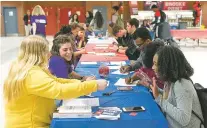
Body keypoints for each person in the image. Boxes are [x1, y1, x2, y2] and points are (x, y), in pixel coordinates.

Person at [4, 35, 107, 128]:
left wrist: (82, 83)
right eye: (46, 51)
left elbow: (56, 81)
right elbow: (59, 91)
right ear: (37, 54)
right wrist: (94, 85)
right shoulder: (32, 74)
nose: (49, 54)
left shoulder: (26, 68)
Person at [151, 46, 204, 128]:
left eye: (155, 64)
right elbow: (172, 98)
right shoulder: (170, 80)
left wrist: (158, 98)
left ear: (166, 66)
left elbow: (183, 119)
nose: (153, 68)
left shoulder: (182, 85)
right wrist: (153, 88)